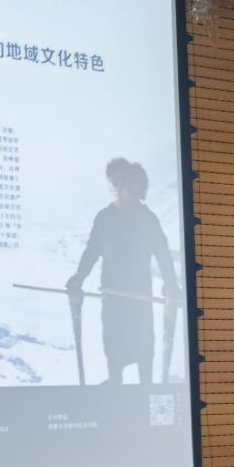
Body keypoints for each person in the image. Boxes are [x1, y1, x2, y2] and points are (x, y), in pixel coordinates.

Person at [67, 158, 179, 385]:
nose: (118, 187)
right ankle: (116, 398)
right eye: (114, 182)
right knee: (115, 358)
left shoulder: (147, 219)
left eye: (121, 181)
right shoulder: (105, 218)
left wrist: (170, 284)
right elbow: (92, 251)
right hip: (113, 302)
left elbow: (163, 254)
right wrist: (79, 277)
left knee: (144, 358)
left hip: (139, 301)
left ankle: (145, 399)